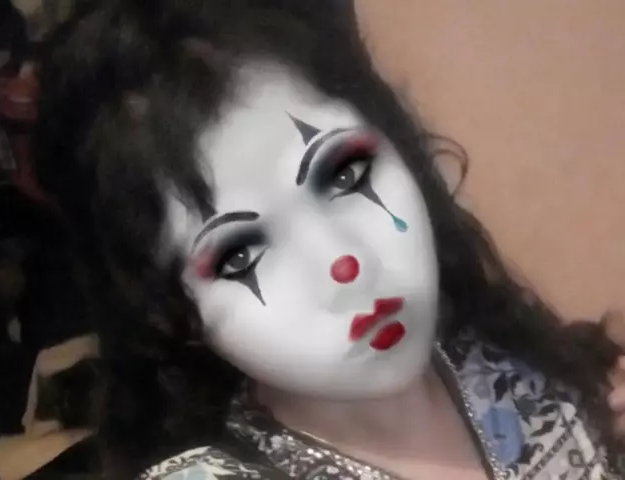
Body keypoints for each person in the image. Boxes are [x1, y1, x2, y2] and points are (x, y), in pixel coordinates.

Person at [34, 1, 625, 479]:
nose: (345, 263)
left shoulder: (502, 361)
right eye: (240, 254)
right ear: (168, 313)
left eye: (344, 174)